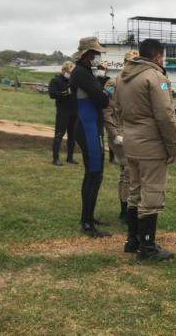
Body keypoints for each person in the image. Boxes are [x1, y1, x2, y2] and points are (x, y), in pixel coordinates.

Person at [114, 39, 176, 260]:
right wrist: (172, 146)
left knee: (135, 192)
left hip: (131, 142)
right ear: (158, 57)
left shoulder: (123, 77)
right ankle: (148, 247)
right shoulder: (155, 77)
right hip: (151, 145)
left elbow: (117, 108)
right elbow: (165, 115)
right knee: (151, 193)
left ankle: (132, 240)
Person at [70, 36, 113, 237]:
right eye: (96, 54)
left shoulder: (84, 71)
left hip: (89, 125)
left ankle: (88, 216)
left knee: (94, 175)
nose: (98, 57)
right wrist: (105, 94)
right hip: (88, 128)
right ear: (87, 55)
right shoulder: (82, 73)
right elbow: (103, 101)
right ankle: (87, 224)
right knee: (94, 175)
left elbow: (98, 95)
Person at [102, 50, 139, 225]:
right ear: (124, 63)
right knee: (127, 173)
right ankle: (125, 210)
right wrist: (114, 134)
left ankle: (127, 208)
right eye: (129, 62)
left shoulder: (135, 83)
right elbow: (106, 111)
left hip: (133, 133)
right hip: (119, 132)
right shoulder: (112, 83)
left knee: (129, 173)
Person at [48, 61, 79, 166]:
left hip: (74, 111)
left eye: (71, 72)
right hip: (62, 111)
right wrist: (66, 92)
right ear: (62, 70)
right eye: (67, 72)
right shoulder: (55, 80)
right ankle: (55, 158)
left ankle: (70, 157)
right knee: (59, 134)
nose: (69, 74)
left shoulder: (74, 82)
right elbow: (52, 94)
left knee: (72, 135)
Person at [95, 61, 119, 165]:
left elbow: (111, 96)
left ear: (106, 70)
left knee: (111, 133)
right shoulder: (93, 81)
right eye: (99, 68)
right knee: (98, 134)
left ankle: (112, 157)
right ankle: (98, 155)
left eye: (102, 68)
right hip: (96, 110)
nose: (100, 70)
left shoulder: (110, 81)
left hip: (108, 111)